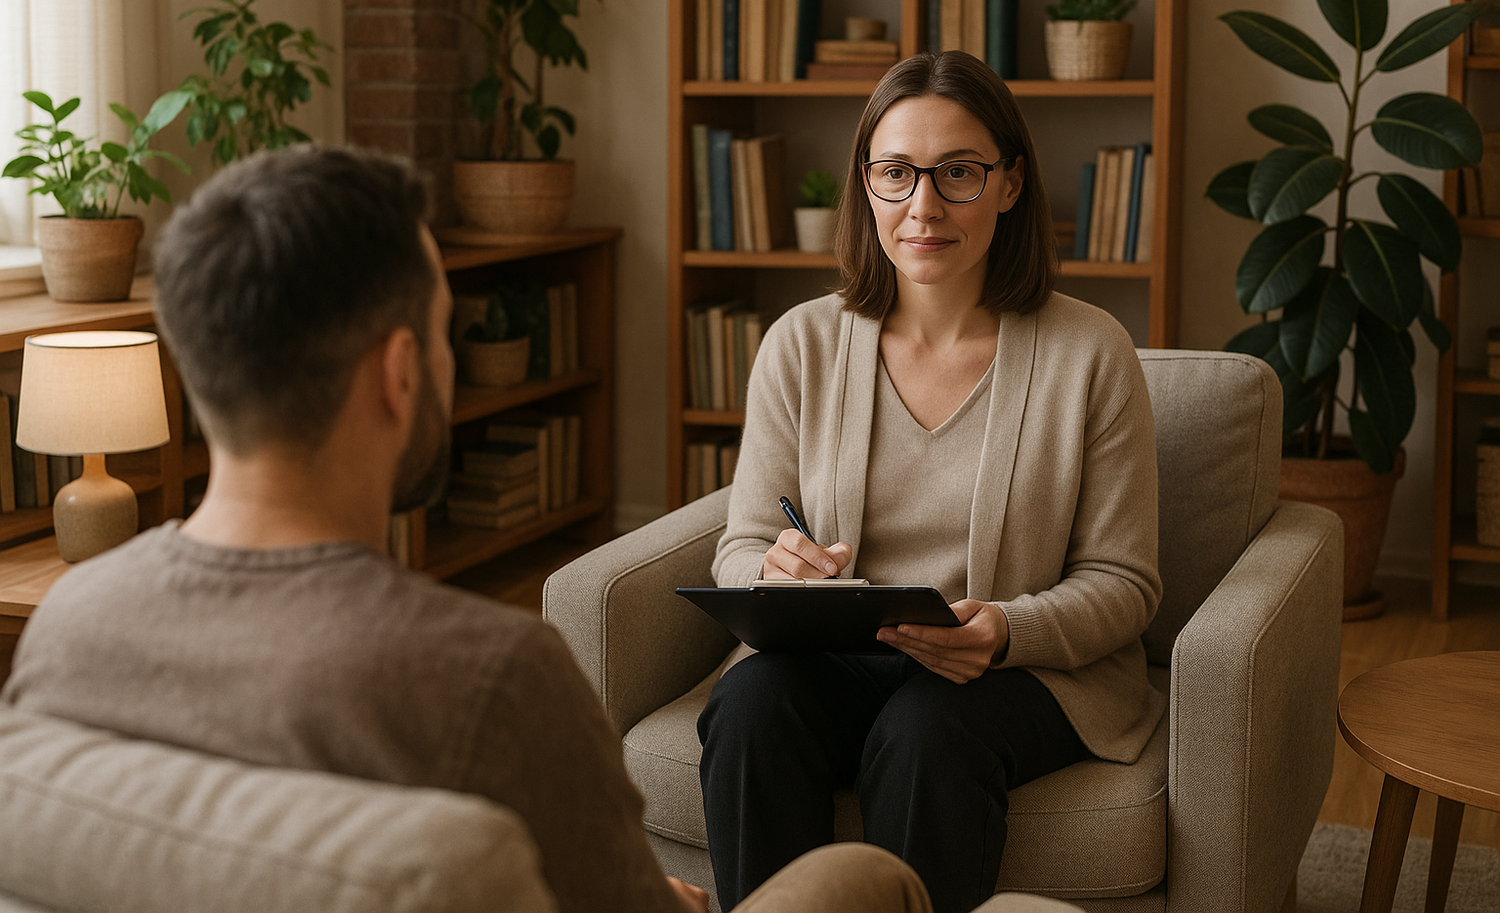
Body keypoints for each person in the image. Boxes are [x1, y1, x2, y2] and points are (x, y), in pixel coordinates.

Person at [0, 145, 938, 913]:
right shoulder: (491, 678)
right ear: (400, 372)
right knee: (862, 883)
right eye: (445, 333)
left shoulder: (72, 624)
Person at [698, 51, 1164, 913]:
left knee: (926, 734)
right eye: (897, 173)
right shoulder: (800, 344)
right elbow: (741, 544)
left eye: (958, 172)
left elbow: (1126, 583)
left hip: (1017, 672)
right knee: (750, 706)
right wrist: (770, 570)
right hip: (841, 658)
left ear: (1010, 183)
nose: (923, 205)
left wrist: (1007, 630)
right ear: (866, 184)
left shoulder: (1092, 352)